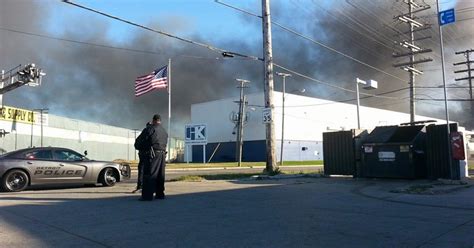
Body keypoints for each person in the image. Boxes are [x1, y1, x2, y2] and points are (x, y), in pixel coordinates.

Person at [140, 114, 168, 201]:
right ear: (160, 121)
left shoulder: (151, 128)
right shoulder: (164, 131)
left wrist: (142, 148)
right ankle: (160, 194)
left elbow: (142, 141)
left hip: (153, 154)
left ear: (153, 120)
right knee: (160, 175)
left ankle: (147, 196)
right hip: (163, 154)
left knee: (150, 174)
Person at [133, 122, 152, 193]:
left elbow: (136, 143)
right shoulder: (151, 132)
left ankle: (140, 186)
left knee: (141, 170)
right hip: (148, 155)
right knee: (149, 171)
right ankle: (146, 187)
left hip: (141, 154)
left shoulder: (143, 133)